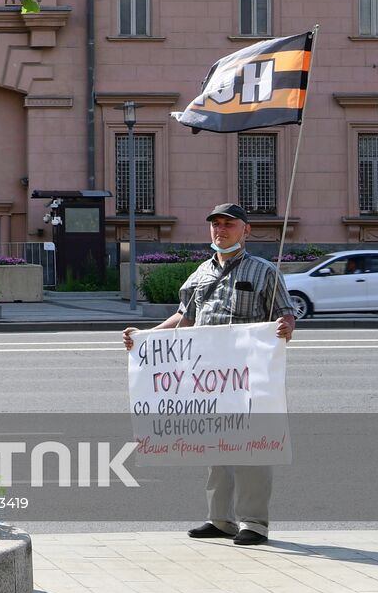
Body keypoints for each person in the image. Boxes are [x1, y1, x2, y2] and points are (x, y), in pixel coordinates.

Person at [121, 202, 295, 547]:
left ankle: (254, 523)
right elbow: (184, 319)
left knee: (252, 449)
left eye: (228, 224)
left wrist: (285, 327)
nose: (221, 230)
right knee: (217, 447)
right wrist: (144, 337)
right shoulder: (200, 273)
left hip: (249, 376)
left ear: (246, 230)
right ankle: (220, 520)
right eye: (215, 224)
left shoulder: (264, 272)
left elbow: (286, 315)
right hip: (208, 379)